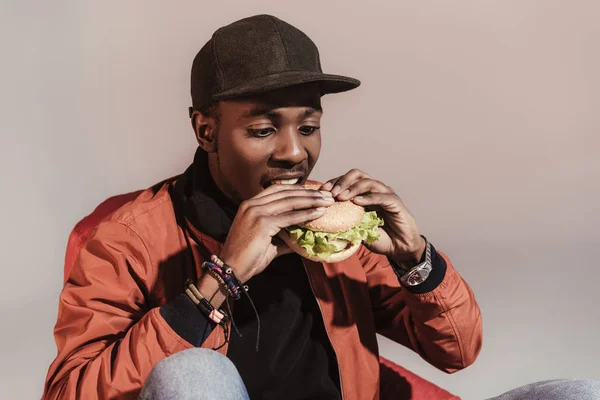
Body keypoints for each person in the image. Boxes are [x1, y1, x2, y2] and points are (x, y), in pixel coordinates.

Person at [43, 14, 598, 400]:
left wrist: (415, 257)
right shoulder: (129, 237)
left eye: (309, 128)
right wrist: (219, 279)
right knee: (192, 373)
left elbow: (458, 352)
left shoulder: (334, 230)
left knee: (579, 393)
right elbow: (72, 391)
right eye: (262, 130)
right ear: (206, 130)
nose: (293, 153)